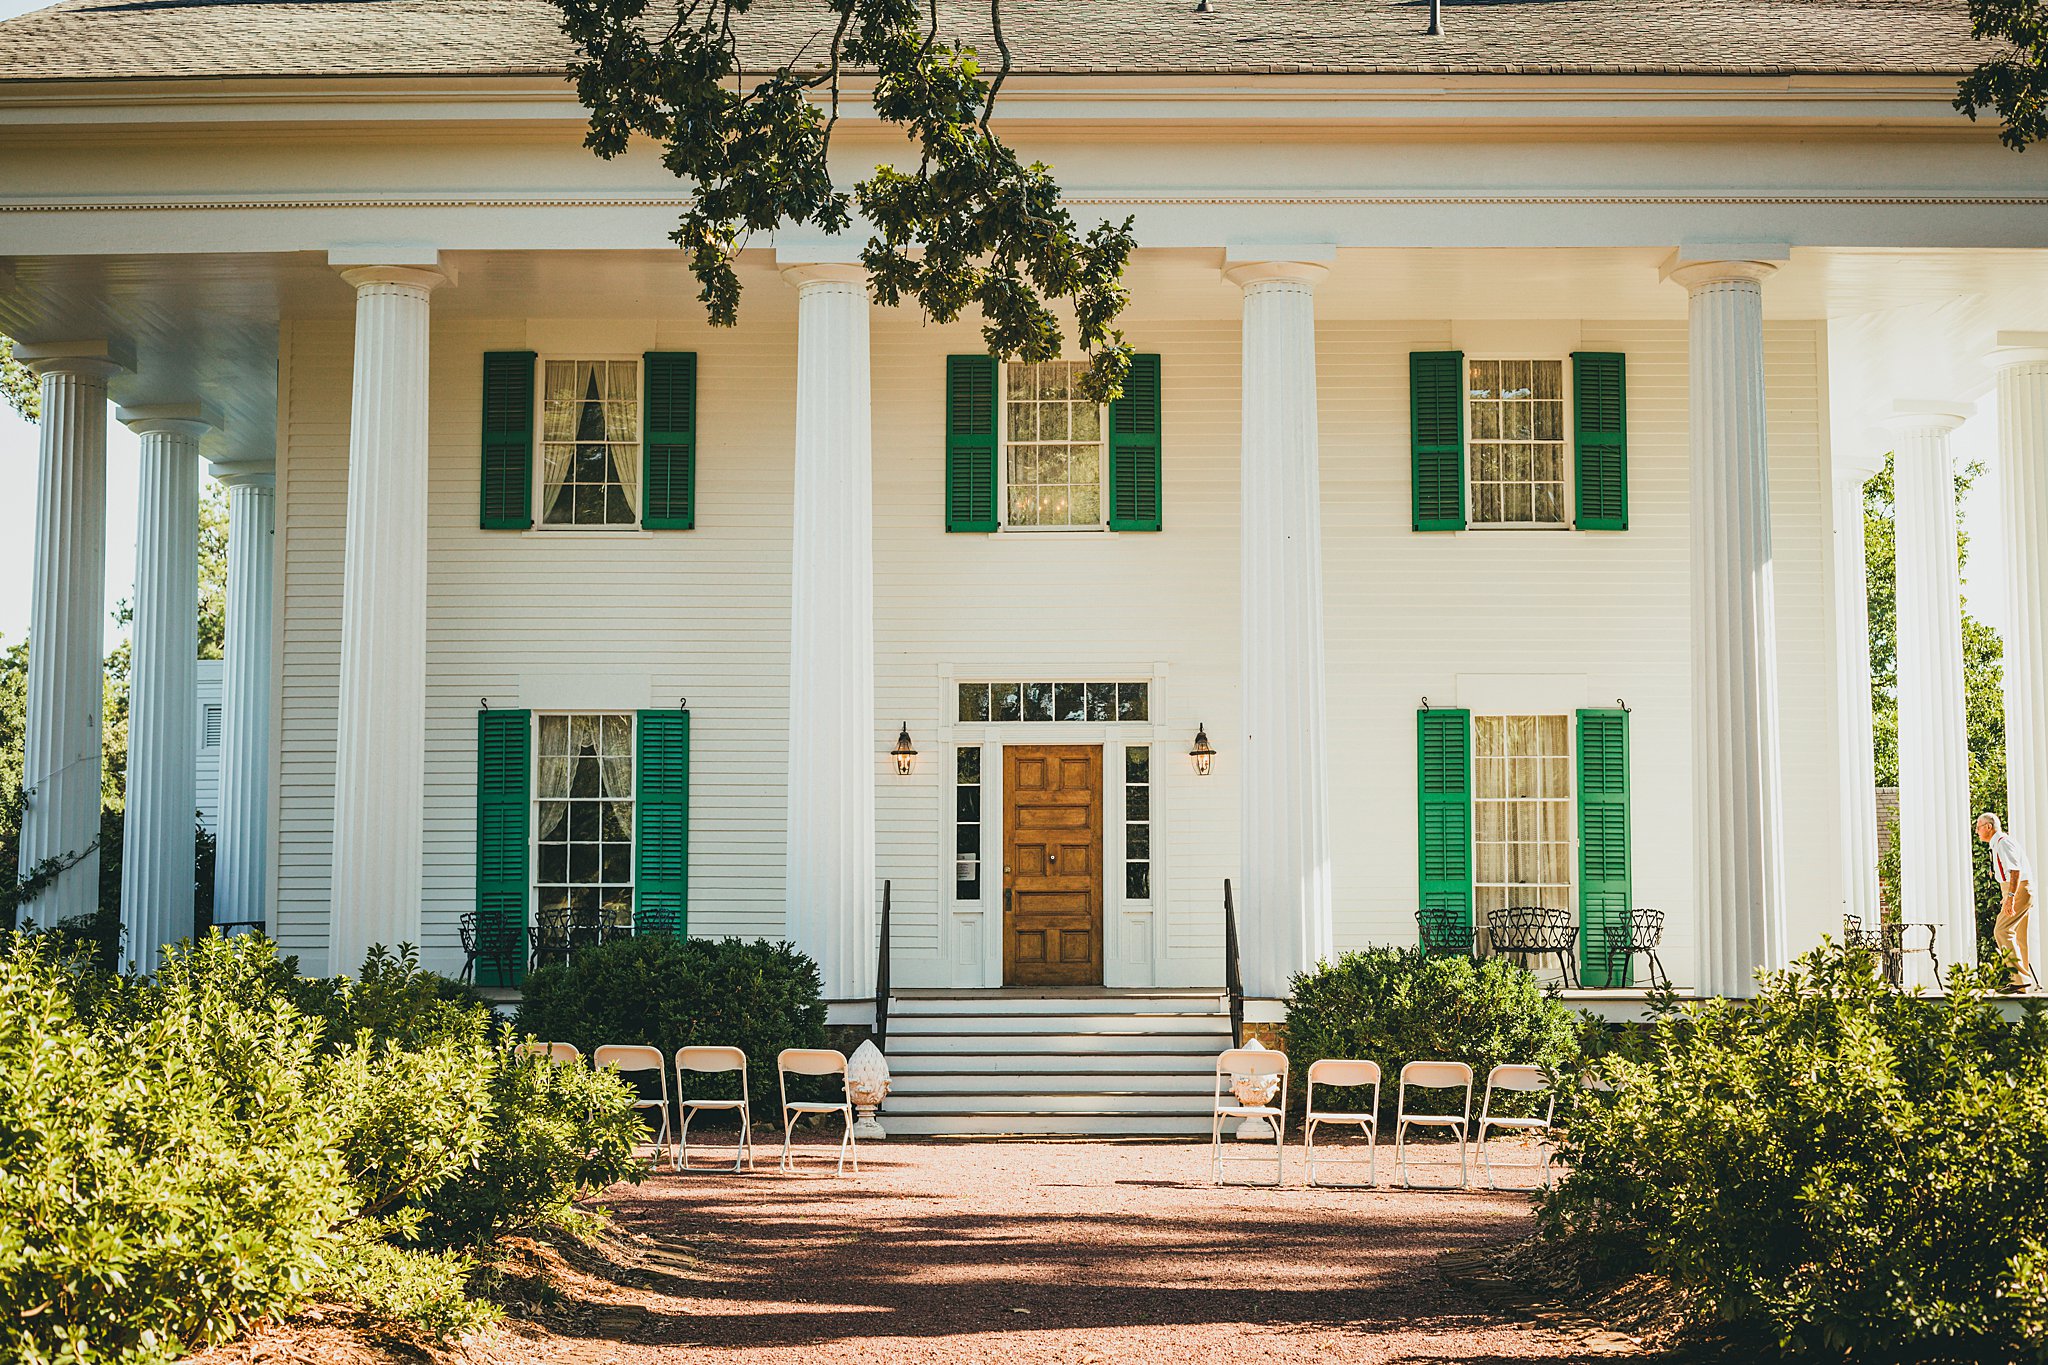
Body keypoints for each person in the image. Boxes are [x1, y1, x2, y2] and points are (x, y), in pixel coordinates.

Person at [1978, 812, 2036, 993]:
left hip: (2017, 890)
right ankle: (2023, 984)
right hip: (2016, 890)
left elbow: (2015, 870)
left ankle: (2019, 980)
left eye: (1979, 827)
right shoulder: (1999, 844)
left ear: (1989, 826)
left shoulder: (2003, 842)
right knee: (2019, 937)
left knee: (2002, 930)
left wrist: (2010, 896)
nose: (1977, 831)